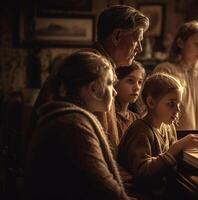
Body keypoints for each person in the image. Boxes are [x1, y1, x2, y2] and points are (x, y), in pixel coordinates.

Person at [25, 5, 149, 153]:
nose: (140, 48)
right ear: (117, 36)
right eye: (137, 40)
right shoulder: (93, 69)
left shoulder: (98, 63)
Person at [25, 51, 129, 200]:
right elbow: (107, 190)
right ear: (93, 89)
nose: (115, 92)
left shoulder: (66, 118)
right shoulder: (73, 125)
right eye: (110, 83)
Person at [118, 73, 198, 198]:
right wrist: (177, 147)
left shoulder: (168, 127)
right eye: (171, 103)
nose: (177, 110)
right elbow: (144, 174)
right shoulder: (140, 131)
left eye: (178, 104)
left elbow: (171, 164)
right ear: (151, 102)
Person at [153, 20, 198, 130]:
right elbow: (158, 111)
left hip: (195, 133)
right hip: (174, 134)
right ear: (181, 43)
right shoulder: (166, 70)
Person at [115, 61, 145, 138]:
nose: (137, 87)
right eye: (130, 81)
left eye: (140, 82)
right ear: (115, 82)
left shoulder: (137, 119)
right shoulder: (108, 117)